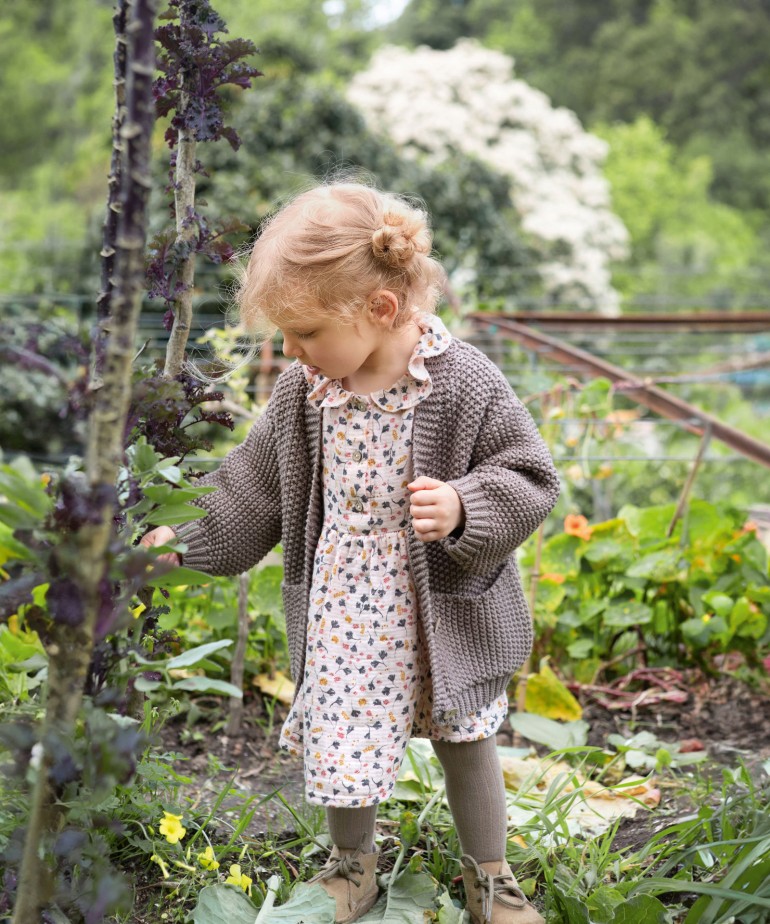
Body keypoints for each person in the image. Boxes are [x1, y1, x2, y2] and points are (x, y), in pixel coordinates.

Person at [141, 182, 560, 923]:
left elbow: (528, 474)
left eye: (304, 331)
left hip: (440, 604)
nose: (290, 350)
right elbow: (252, 490)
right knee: (342, 734)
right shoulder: (305, 394)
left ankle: (490, 878)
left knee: (466, 736)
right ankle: (351, 867)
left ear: (381, 309)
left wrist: (465, 505)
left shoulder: (465, 382)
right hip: (346, 605)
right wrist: (185, 538)